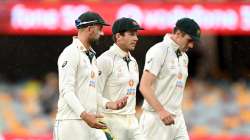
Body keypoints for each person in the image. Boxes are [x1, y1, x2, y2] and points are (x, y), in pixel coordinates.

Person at [53, 12, 128, 140]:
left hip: (90, 121)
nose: (102, 33)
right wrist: (85, 115)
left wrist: (109, 104)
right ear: (89, 28)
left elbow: (91, 92)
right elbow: (66, 91)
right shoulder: (70, 53)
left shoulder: (91, 57)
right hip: (71, 123)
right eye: (100, 29)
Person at [139, 17, 201, 140]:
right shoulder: (159, 51)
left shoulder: (184, 57)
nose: (192, 45)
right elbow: (144, 86)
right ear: (178, 34)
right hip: (157, 118)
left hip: (177, 117)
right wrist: (161, 111)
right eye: (189, 40)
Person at [96, 17, 145, 140]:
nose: (136, 38)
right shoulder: (105, 60)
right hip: (111, 121)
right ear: (118, 36)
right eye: (132, 34)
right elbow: (91, 92)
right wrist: (108, 104)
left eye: (136, 34)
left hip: (132, 121)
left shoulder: (133, 61)